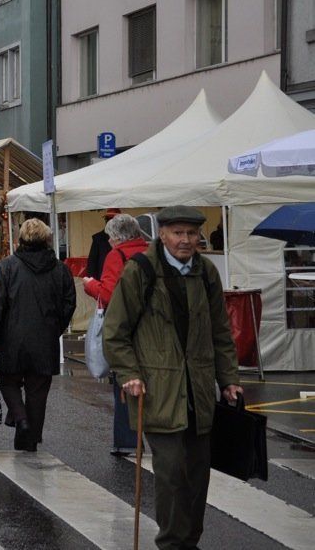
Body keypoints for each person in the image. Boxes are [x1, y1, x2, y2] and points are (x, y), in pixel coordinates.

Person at [104, 206, 241, 550]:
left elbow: (221, 331)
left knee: (198, 474)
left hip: (198, 389)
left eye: (191, 233)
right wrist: (129, 373)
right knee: (170, 472)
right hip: (157, 391)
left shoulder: (206, 272)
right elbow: (115, 332)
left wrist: (229, 379)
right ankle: (171, 543)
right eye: (178, 233)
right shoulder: (140, 271)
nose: (185, 240)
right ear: (162, 234)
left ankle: (188, 541)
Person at [0, 218, 76, 452]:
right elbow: (69, 304)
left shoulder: (8, 266)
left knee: (8, 381)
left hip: (12, 338)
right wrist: (55, 328)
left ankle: (21, 418)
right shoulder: (60, 269)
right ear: (46, 239)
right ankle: (30, 439)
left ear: (21, 239)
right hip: (45, 338)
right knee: (37, 391)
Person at [82, 213, 148, 455]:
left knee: (123, 379)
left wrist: (90, 285)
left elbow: (109, 294)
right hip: (151, 325)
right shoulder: (150, 252)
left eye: (110, 237)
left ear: (118, 237)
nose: (108, 241)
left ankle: (126, 440)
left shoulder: (116, 255)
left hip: (124, 325)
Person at [85, 208, 120, 280]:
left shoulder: (125, 237)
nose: (109, 222)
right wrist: (91, 281)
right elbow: (92, 262)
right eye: (107, 219)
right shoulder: (98, 238)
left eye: (112, 220)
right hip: (103, 278)